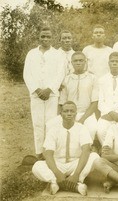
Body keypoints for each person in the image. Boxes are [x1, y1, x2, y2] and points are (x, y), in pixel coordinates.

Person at [32, 101, 100, 195]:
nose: (69, 113)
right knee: (37, 166)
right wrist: (56, 172)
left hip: (75, 164)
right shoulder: (54, 130)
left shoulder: (82, 128)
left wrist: (76, 174)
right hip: (58, 164)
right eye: (66, 111)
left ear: (76, 114)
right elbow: (48, 153)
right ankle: (73, 186)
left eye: (72, 111)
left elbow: (86, 151)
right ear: (61, 114)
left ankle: (70, 181)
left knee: (95, 157)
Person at [23, 26, 64, 160]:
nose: (45, 39)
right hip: (36, 95)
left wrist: (49, 89)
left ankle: (49, 151)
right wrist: (37, 89)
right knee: (38, 123)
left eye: (48, 36)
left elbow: (60, 73)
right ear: (39, 38)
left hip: (51, 94)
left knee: (51, 123)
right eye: (43, 36)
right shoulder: (31, 54)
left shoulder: (58, 54)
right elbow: (27, 74)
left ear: (52, 38)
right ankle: (39, 152)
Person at [49, 51, 98, 140]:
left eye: (81, 60)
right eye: (75, 61)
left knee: (92, 128)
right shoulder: (67, 79)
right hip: (69, 113)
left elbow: (94, 102)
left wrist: (82, 119)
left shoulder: (92, 78)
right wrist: (64, 117)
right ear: (71, 63)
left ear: (85, 62)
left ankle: (88, 149)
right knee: (51, 125)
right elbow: (62, 102)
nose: (78, 63)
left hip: (87, 114)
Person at [97, 52, 118, 145]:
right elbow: (100, 101)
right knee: (101, 131)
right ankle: (107, 150)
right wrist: (110, 112)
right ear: (108, 63)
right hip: (106, 114)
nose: (114, 63)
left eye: (117, 61)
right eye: (112, 61)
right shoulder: (102, 80)